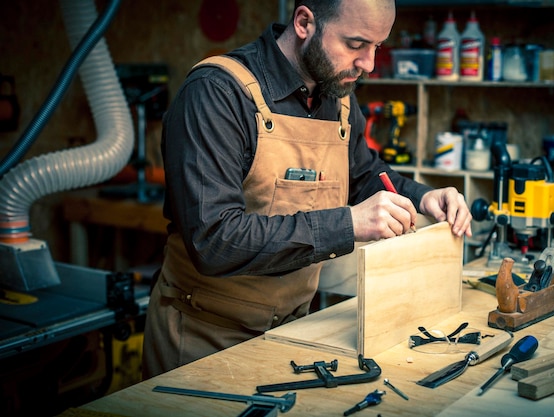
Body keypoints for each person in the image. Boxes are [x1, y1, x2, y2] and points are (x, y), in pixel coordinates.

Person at [142, 0, 472, 379]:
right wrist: (349, 224)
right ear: (304, 23)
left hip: (293, 332)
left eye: (376, 47)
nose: (369, 63)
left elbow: (363, 176)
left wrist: (423, 197)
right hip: (201, 335)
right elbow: (214, 241)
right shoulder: (217, 93)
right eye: (355, 44)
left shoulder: (338, 94)